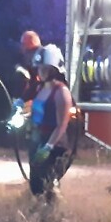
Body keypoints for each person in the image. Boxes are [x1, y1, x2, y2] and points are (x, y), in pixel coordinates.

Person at [28, 44, 76, 203]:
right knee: (36, 184)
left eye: (44, 68)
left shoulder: (61, 92)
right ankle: (38, 212)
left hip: (55, 144)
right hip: (38, 139)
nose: (40, 72)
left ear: (53, 70)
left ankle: (56, 214)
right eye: (39, 68)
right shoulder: (40, 89)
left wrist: (48, 147)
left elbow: (62, 124)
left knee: (49, 185)